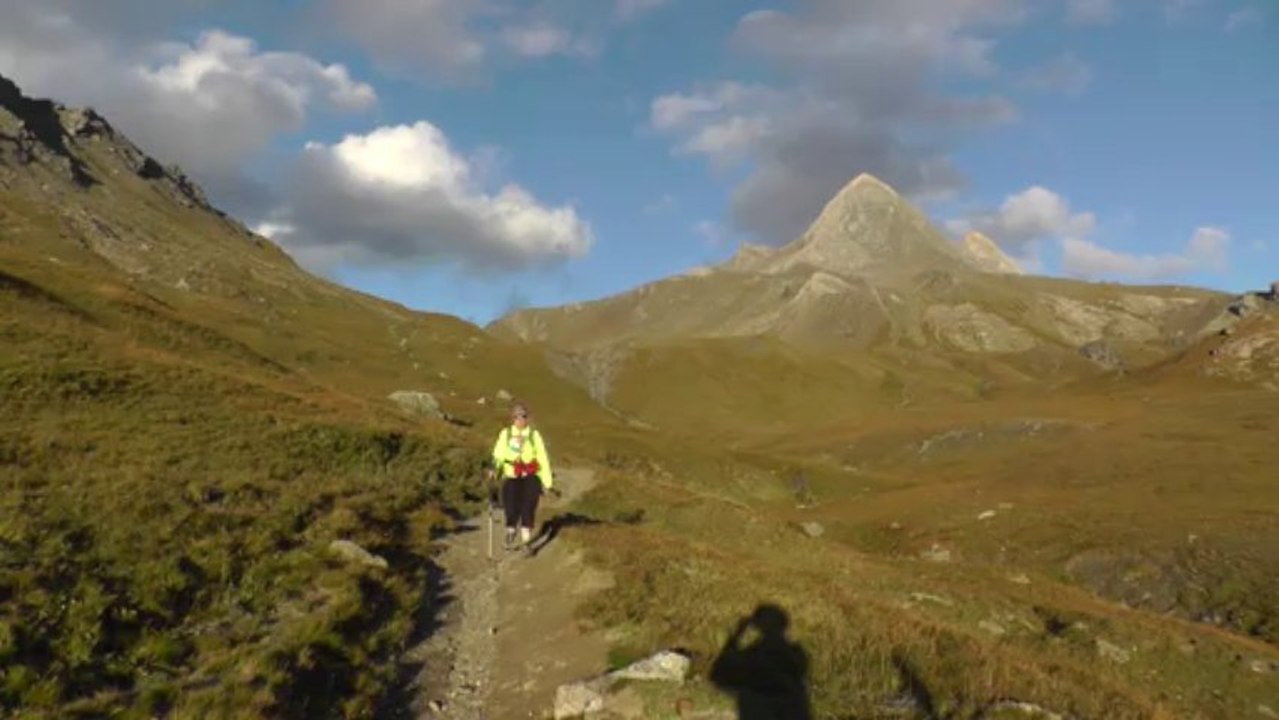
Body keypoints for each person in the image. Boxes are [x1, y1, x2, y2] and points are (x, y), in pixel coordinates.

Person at [487, 402, 554, 550]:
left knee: (528, 506)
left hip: (531, 474)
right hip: (511, 474)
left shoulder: (533, 435)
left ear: (527, 418)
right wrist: (494, 468)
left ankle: (526, 540)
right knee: (510, 505)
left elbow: (542, 457)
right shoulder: (506, 434)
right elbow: (498, 453)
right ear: (513, 418)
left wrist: (547, 482)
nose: (520, 420)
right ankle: (510, 530)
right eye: (517, 417)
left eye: (523, 416)